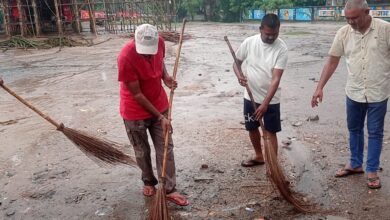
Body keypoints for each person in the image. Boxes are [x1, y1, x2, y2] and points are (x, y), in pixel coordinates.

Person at [311, 0, 390, 189]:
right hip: (353, 91)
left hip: (378, 91)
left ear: (367, 12)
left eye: (354, 18)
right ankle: (355, 164)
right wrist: (319, 87)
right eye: (347, 18)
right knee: (354, 129)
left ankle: (371, 170)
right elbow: (332, 61)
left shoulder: (385, 29)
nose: (351, 22)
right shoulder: (343, 33)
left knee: (375, 132)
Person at [117, 24, 188, 205]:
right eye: (144, 52)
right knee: (142, 150)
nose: (148, 55)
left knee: (165, 146)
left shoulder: (160, 43)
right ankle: (148, 180)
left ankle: (169, 188)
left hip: (158, 102)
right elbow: (137, 94)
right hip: (135, 110)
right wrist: (160, 117)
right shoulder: (125, 56)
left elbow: (161, 61)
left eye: (151, 51)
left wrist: (165, 77)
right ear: (135, 41)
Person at [233, 14, 288, 167]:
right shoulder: (249, 42)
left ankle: (272, 164)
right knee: (252, 127)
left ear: (278, 30)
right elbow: (236, 63)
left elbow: (276, 79)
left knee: (270, 132)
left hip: (271, 99)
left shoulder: (281, 48)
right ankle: (258, 155)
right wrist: (240, 76)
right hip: (250, 96)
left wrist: (265, 104)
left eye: (275, 34)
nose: (271, 37)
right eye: (267, 34)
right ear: (260, 30)